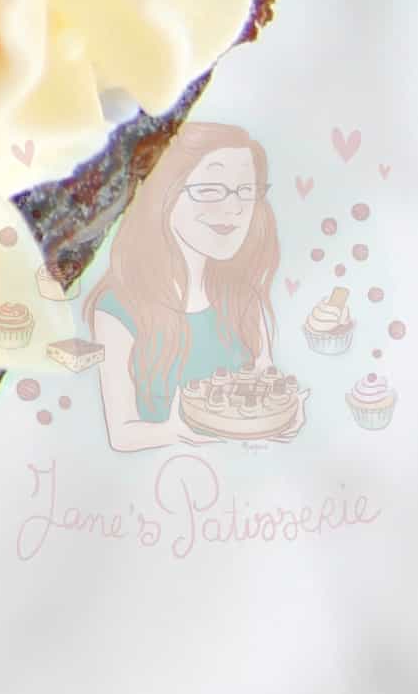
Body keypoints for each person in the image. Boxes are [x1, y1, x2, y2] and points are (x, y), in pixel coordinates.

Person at [87, 116, 280, 451]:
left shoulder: (244, 300)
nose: (233, 208)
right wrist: (174, 432)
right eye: (210, 189)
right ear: (165, 194)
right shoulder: (119, 307)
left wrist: (276, 427)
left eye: (245, 191)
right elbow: (122, 434)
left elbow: (267, 396)